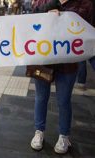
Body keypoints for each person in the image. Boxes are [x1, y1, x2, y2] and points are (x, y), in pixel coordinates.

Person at [29, 0, 93, 154]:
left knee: (63, 100)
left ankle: (64, 135)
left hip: (68, 63)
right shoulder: (41, 1)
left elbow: (91, 33)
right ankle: (39, 132)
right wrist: (47, 10)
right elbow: (30, 23)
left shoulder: (86, 4)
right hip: (43, 60)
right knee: (40, 97)